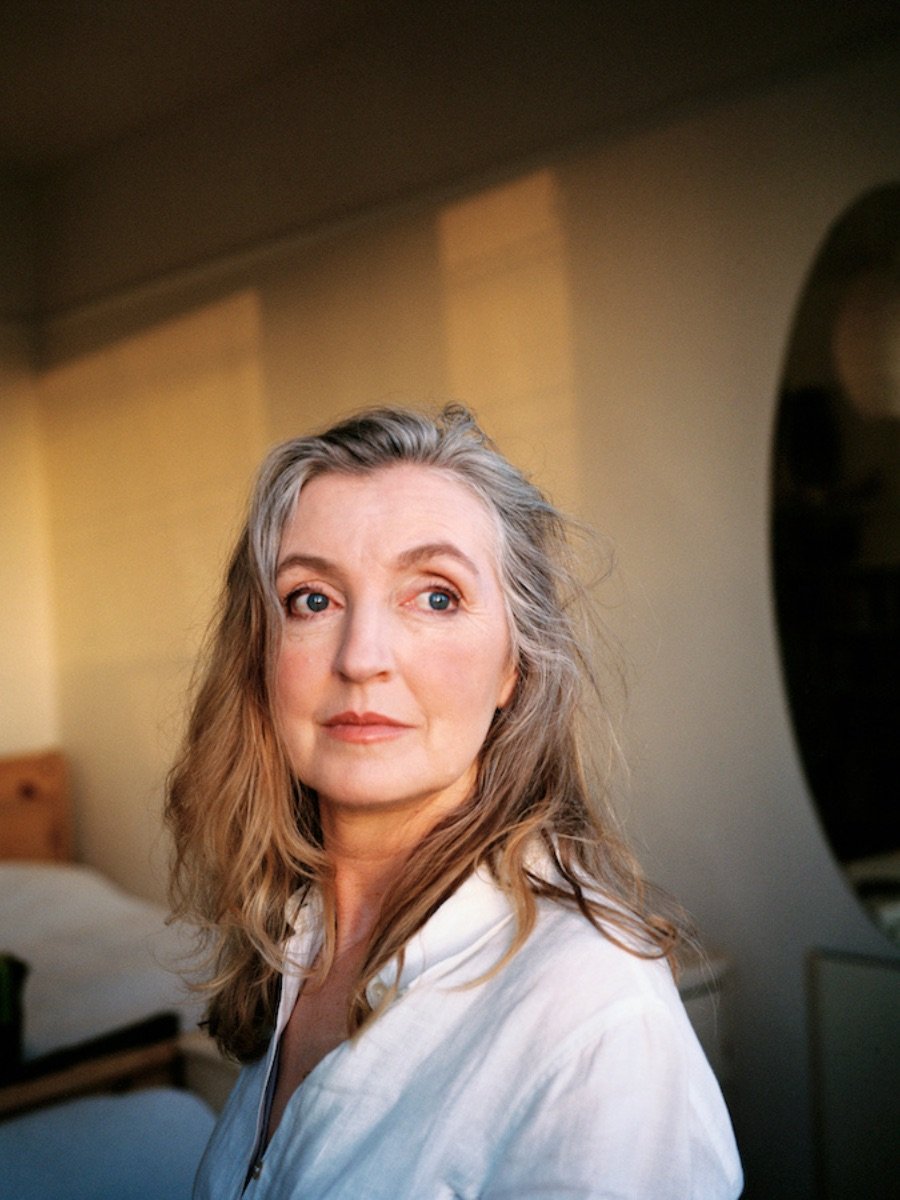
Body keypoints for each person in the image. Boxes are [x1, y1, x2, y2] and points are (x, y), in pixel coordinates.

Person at [166, 404, 743, 1198]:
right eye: (312, 600)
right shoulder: (297, 945)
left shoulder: (594, 1014)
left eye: (435, 597)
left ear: (514, 666)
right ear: (260, 657)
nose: (362, 657)